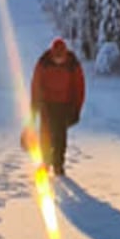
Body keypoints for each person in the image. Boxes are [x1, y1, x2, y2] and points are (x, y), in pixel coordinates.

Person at [29, 37, 85, 176]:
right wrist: (35, 106)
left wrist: (77, 109)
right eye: (56, 58)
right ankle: (46, 162)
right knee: (46, 135)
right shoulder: (43, 63)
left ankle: (58, 165)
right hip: (46, 104)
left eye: (61, 58)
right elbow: (36, 84)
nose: (58, 60)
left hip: (64, 105)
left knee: (60, 137)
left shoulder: (73, 64)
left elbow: (79, 88)